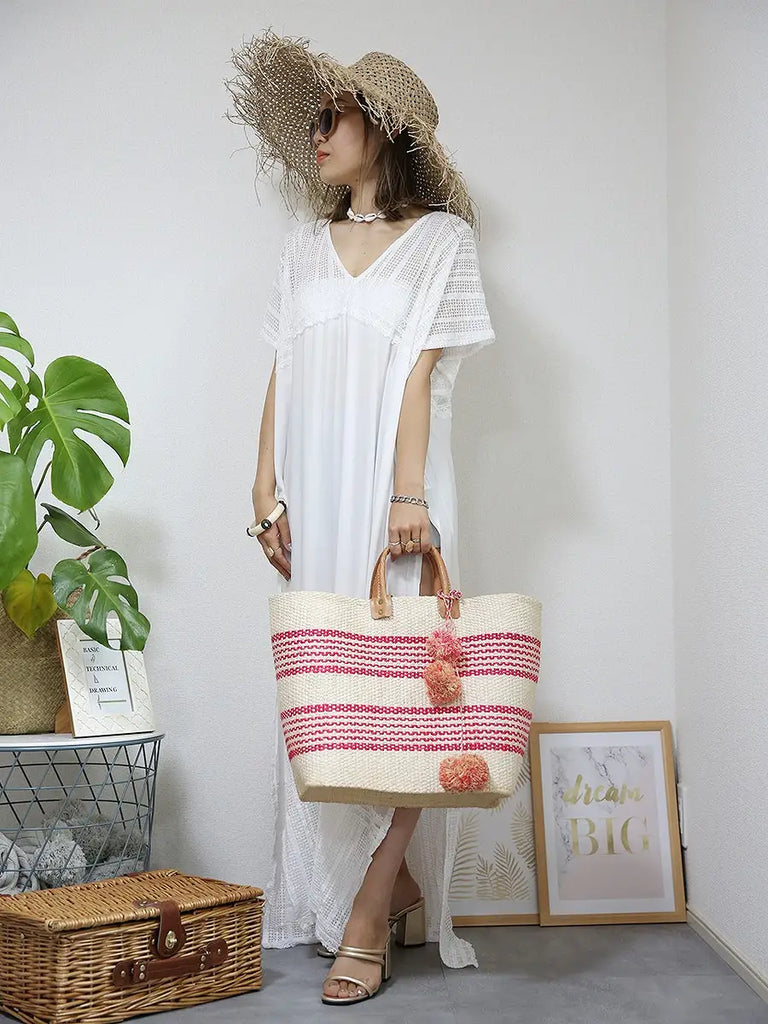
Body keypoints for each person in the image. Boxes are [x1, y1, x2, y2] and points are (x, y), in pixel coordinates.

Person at [227, 30, 496, 1006]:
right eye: (313, 118)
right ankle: (394, 888)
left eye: (333, 115)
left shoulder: (441, 244)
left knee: (415, 700)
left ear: (382, 127)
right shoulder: (303, 249)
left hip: (398, 497)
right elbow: (283, 368)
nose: (317, 133)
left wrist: (409, 496)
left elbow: (423, 372)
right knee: (333, 700)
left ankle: (372, 911)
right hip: (319, 494)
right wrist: (264, 492)